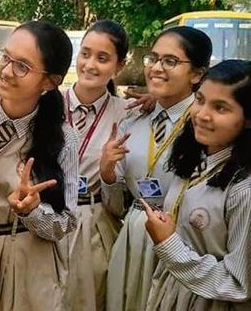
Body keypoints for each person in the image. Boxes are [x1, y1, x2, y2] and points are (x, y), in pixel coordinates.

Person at [0, 20, 79, 311]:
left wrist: (32, 211)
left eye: (22, 66)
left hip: (25, 265)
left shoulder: (63, 139)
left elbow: (65, 223)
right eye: (5, 57)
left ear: (50, 81)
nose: (6, 71)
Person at [100, 26, 212, 311]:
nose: (157, 68)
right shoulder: (135, 118)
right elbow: (115, 206)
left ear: (197, 74)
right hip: (133, 235)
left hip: (180, 240)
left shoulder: (204, 126)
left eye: (170, 61)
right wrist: (108, 174)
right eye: (154, 58)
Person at [143, 59, 251, 310]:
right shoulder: (195, 160)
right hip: (173, 292)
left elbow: (239, 283)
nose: (202, 115)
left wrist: (170, 245)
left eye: (220, 108)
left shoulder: (243, 189)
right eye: (200, 100)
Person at [63, 20, 136, 310]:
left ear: (118, 67)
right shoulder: (47, 105)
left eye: (102, 58)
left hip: (94, 227)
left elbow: (118, 207)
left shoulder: (128, 114)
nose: (90, 65)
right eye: (85, 54)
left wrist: (107, 173)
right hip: (45, 220)